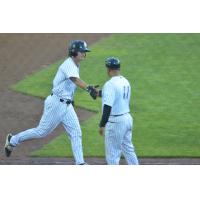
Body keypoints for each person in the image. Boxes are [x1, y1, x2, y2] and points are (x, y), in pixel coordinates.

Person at [4, 40, 99, 165]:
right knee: (41, 132)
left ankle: (80, 163)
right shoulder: (69, 64)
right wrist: (88, 88)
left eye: (85, 52)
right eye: (82, 52)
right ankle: (13, 140)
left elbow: (68, 85)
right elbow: (74, 79)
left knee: (76, 132)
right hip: (56, 104)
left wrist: (71, 99)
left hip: (66, 105)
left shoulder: (75, 65)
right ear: (74, 52)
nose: (84, 54)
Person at [98, 57, 139, 165]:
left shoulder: (110, 84)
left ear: (108, 69)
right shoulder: (125, 81)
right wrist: (98, 93)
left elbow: (107, 107)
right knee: (129, 151)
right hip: (127, 119)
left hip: (116, 123)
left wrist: (102, 125)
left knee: (112, 156)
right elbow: (116, 94)